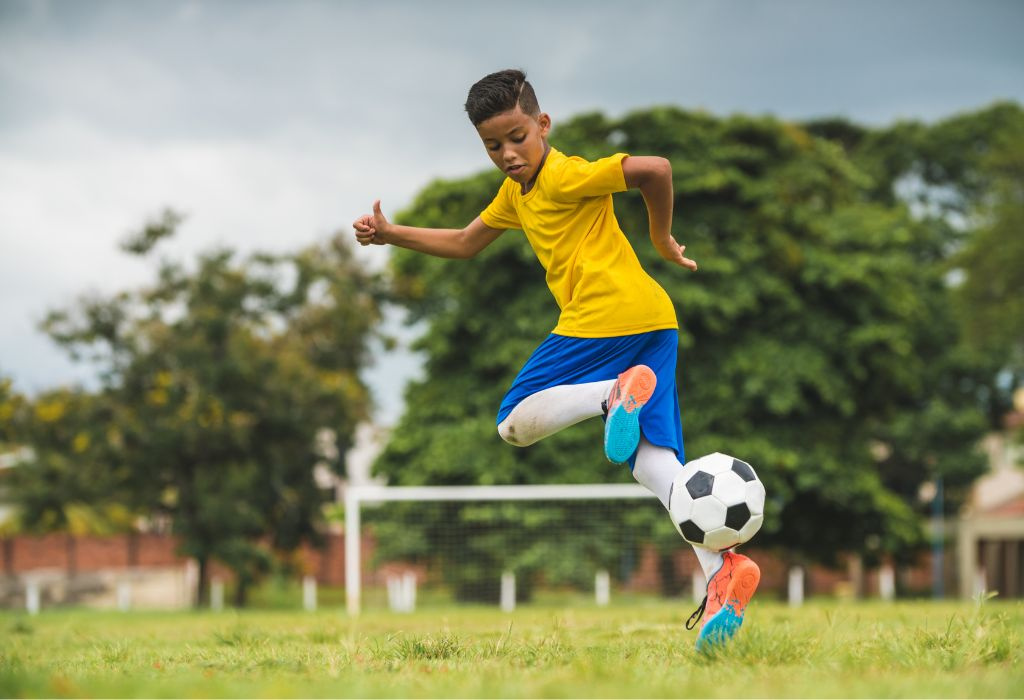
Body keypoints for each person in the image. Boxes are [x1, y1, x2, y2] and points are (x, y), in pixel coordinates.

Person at [353, 68, 759, 650]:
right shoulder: (516, 194)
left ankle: (609, 395)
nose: (508, 154)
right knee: (654, 463)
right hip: (654, 323)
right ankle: (724, 574)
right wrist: (392, 234)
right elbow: (467, 243)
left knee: (513, 421)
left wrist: (662, 239)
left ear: (543, 125)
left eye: (518, 137)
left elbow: (655, 169)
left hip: (603, 323)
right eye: (493, 145)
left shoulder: (567, 174)